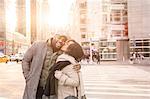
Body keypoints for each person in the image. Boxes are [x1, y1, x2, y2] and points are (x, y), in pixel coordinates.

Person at [22, 34, 68, 99]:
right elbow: (25, 60)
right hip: (35, 84)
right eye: (59, 38)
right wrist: (28, 76)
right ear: (53, 37)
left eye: (63, 40)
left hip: (50, 89)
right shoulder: (38, 45)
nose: (61, 41)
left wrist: (77, 65)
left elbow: (75, 57)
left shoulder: (62, 53)